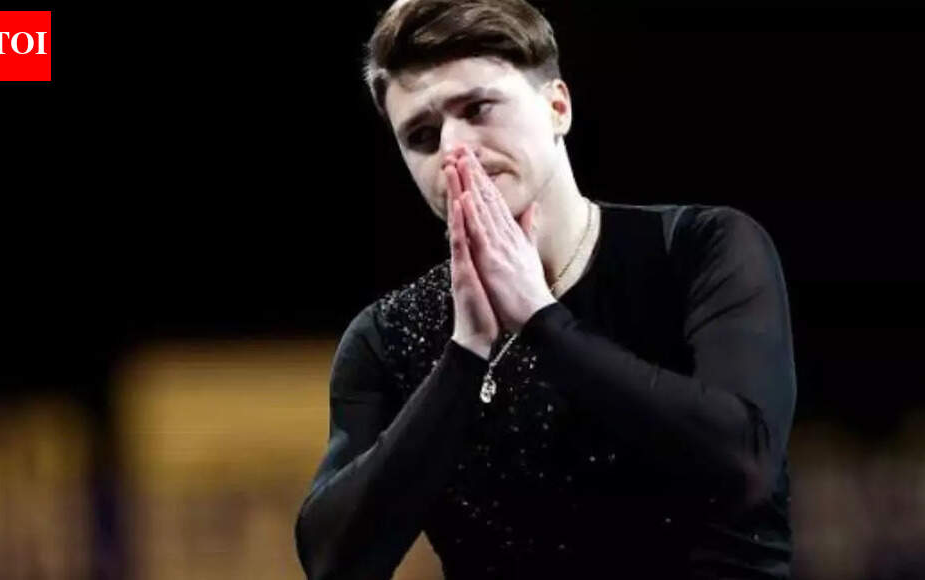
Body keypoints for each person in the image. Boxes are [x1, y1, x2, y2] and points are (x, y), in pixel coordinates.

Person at [295, 1, 797, 578]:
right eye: (423, 136)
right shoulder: (387, 338)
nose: (454, 150)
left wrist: (541, 318)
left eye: (478, 108)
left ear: (558, 106)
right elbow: (334, 563)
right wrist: (464, 354)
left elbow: (745, 468)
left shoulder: (699, 249)